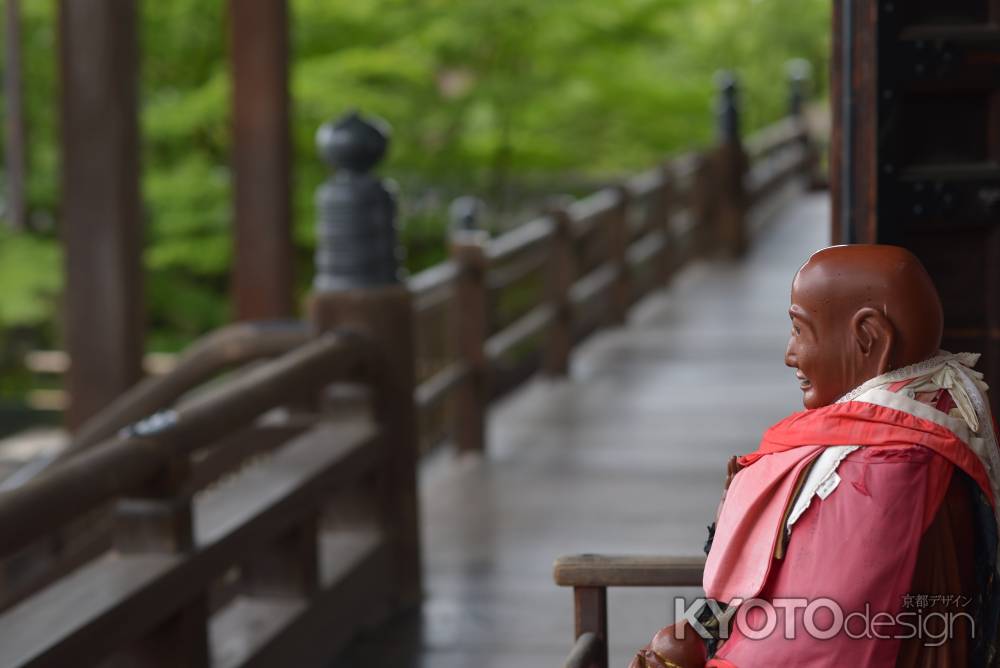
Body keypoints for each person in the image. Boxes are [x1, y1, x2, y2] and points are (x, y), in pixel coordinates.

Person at [630, 245, 1000, 667]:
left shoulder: (878, 467)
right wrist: (699, 630)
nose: (790, 355)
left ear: (868, 337)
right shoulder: (935, 415)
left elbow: (816, 646)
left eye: (800, 330)